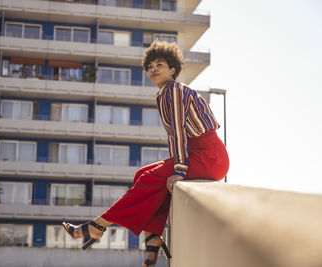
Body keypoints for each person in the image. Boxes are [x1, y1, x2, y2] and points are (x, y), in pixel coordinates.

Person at [62, 41, 229, 266]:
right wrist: (178, 166)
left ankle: (98, 224)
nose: (153, 69)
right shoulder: (162, 96)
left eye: (160, 64)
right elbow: (175, 137)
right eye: (149, 66)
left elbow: (178, 132)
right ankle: (152, 238)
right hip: (196, 154)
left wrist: (179, 169)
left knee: (152, 178)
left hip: (210, 156)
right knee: (144, 173)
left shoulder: (176, 90)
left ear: (172, 70)